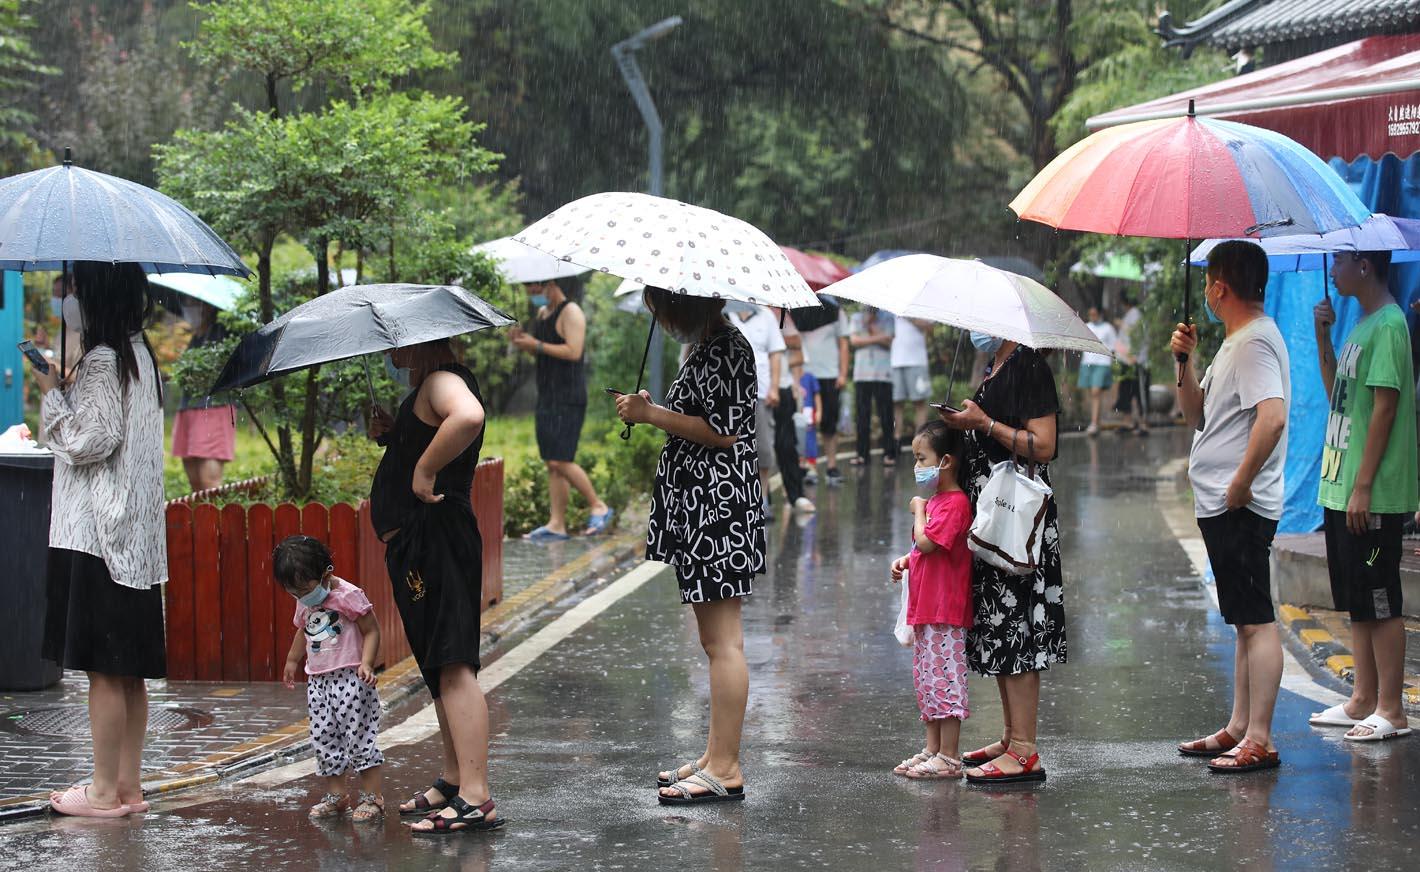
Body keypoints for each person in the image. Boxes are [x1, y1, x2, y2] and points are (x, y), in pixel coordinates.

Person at [615, 286, 764, 805]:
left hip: (717, 505)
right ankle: (713, 755)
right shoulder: (705, 346)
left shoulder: (727, 347)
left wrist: (650, 415)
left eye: (659, 306)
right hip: (702, 505)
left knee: (724, 641)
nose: (657, 315)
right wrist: (654, 409)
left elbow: (723, 432)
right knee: (712, 641)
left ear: (681, 304)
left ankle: (726, 767)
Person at [36, 262, 167, 817]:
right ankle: (128, 787)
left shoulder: (102, 359)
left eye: (72, 289)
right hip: (135, 542)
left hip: (96, 538)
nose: (67, 299)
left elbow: (92, 440)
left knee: (103, 673)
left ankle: (101, 792)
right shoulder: (140, 356)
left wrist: (50, 394)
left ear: (93, 296)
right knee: (127, 672)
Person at [367, 339, 504, 833]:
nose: (390, 349)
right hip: (423, 544)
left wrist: (424, 468)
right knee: (436, 666)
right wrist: (396, 435)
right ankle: (454, 779)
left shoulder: (442, 380)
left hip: (437, 538)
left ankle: (476, 796)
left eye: (396, 341)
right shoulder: (429, 386)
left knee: (452, 664)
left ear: (423, 340)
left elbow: (466, 416)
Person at [1170, 241, 1290, 773]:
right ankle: (1240, 727)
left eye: (1209, 281)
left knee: (1258, 620)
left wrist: (1241, 481)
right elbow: (1196, 416)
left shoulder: (1255, 344)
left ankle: (1259, 738)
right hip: (1223, 506)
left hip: (1240, 506)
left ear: (1220, 287)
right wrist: (1184, 363)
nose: (1206, 291)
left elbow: (1273, 417)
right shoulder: (1235, 343)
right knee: (1244, 620)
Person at [940, 332, 1063, 785]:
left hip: (1016, 521)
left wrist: (985, 424)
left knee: (1018, 629)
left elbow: (1044, 444)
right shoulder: (996, 365)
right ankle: (1012, 736)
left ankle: (1026, 750)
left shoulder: (1028, 365)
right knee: (998, 625)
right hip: (992, 519)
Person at [1309, 250, 1416, 742]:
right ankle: (1363, 700)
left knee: (1379, 595)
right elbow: (1340, 398)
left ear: (1366, 266)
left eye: (1343, 262)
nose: (1335, 270)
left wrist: (1365, 486)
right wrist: (1323, 338)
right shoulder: (1363, 326)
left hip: (1369, 493)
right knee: (1356, 596)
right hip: (1343, 487)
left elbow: (1385, 410)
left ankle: (1392, 710)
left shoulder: (1391, 325)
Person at [275, 535, 385, 821]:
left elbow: (372, 630)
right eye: (294, 593)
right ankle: (337, 795)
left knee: (359, 737)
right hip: (319, 681)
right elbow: (303, 630)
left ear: (327, 573)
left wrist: (368, 664)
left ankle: (373, 797)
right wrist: (292, 659)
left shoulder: (349, 595)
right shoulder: (304, 599)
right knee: (324, 737)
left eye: (304, 589)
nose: (301, 597)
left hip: (351, 677)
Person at [889, 421, 972, 780]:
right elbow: (923, 551)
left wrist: (919, 512)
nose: (917, 467)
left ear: (947, 461)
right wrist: (905, 561)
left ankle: (950, 755)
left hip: (945, 611)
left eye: (922, 459)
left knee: (946, 680)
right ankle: (933, 748)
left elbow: (928, 541)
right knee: (927, 680)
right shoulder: (937, 502)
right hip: (926, 608)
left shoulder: (954, 504)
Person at [508, 277, 612, 541]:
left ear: (550, 282)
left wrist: (537, 345)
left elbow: (573, 351)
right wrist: (525, 343)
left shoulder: (571, 311)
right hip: (547, 395)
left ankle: (598, 505)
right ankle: (557, 524)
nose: (532, 292)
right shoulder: (543, 313)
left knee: (560, 459)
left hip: (568, 396)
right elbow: (543, 353)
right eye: (527, 287)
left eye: (535, 287)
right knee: (551, 464)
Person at [731, 304, 813, 514]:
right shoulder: (728, 313)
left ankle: (790, 495)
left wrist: (782, 385)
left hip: (776, 388)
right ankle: (754, 499)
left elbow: (795, 348)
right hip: (741, 390)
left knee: (781, 445)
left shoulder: (775, 314)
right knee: (745, 446)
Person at [171, 301, 237, 492]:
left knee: (209, 481)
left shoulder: (221, 333)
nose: (188, 307)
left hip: (213, 408)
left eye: (194, 303)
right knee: (194, 478)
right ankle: (200, 519)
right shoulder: (196, 336)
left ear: (208, 306)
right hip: (188, 407)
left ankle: (214, 520)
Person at [801, 302, 851, 484]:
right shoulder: (796, 309)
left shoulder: (835, 310)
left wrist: (843, 374)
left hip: (829, 374)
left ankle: (831, 466)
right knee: (806, 424)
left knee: (830, 423)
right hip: (805, 375)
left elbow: (844, 344)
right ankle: (808, 467)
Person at [850, 306, 896, 467]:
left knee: (886, 415)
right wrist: (878, 337)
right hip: (862, 374)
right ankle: (862, 454)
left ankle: (889, 453)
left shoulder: (888, 317)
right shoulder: (857, 317)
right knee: (863, 416)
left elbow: (889, 341)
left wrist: (870, 329)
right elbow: (854, 341)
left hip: (883, 374)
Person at [892, 315, 934, 448]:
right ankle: (896, 441)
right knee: (896, 403)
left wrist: (910, 317)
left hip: (917, 360)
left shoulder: (920, 305)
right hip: (893, 360)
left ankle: (920, 440)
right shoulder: (890, 302)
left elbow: (930, 328)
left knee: (920, 403)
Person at [1113, 294, 1151, 435]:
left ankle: (1142, 422)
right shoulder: (1131, 315)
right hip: (1127, 359)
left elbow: (1136, 336)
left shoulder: (1135, 315)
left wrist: (1134, 355)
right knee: (1127, 390)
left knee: (1138, 390)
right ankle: (1130, 421)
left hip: (1136, 360)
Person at [1079, 307, 1117, 436]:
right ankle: (1096, 421)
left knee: (1096, 391)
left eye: (1095, 314)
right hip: (1088, 362)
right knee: (1092, 393)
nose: (1092, 316)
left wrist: (1112, 362)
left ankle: (1094, 423)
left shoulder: (1108, 328)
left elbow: (1113, 346)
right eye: (1090, 314)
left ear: (1100, 314)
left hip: (1102, 362)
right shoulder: (1086, 326)